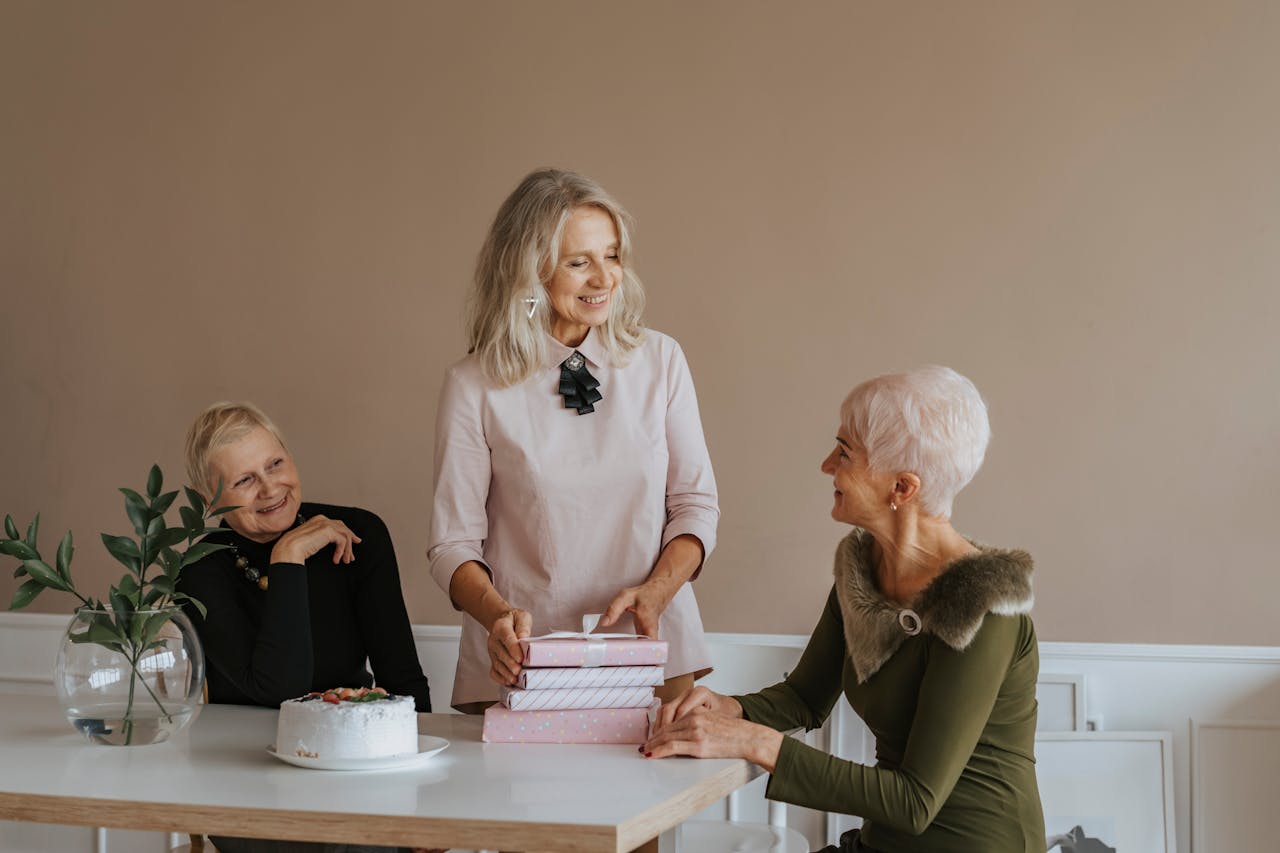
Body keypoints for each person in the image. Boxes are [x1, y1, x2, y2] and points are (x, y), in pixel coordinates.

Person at [644, 366, 1045, 852]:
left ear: (902, 489)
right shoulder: (863, 571)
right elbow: (805, 698)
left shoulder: (982, 607)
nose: (826, 464)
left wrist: (755, 742)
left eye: (845, 453)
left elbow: (914, 802)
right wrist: (732, 709)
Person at [428, 168, 719, 712]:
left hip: (649, 652)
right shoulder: (473, 385)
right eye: (578, 262)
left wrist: (656, 594)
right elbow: (452, 545)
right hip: (522, 662)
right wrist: (498, 619)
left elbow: (694, 505)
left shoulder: (661, 360)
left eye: (612, 256)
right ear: (530, 272)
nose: (604, 278)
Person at [177, 403, 435, 853]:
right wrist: (288, 558)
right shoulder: (199, 570)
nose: (270, 488)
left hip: (354, 764)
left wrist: (429, 806)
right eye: (244, 480)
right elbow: (279, 687)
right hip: (242, 778)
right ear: (209, 502)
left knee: (365, 842)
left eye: (275, 464)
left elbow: (402, 676)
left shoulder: (359, 533)